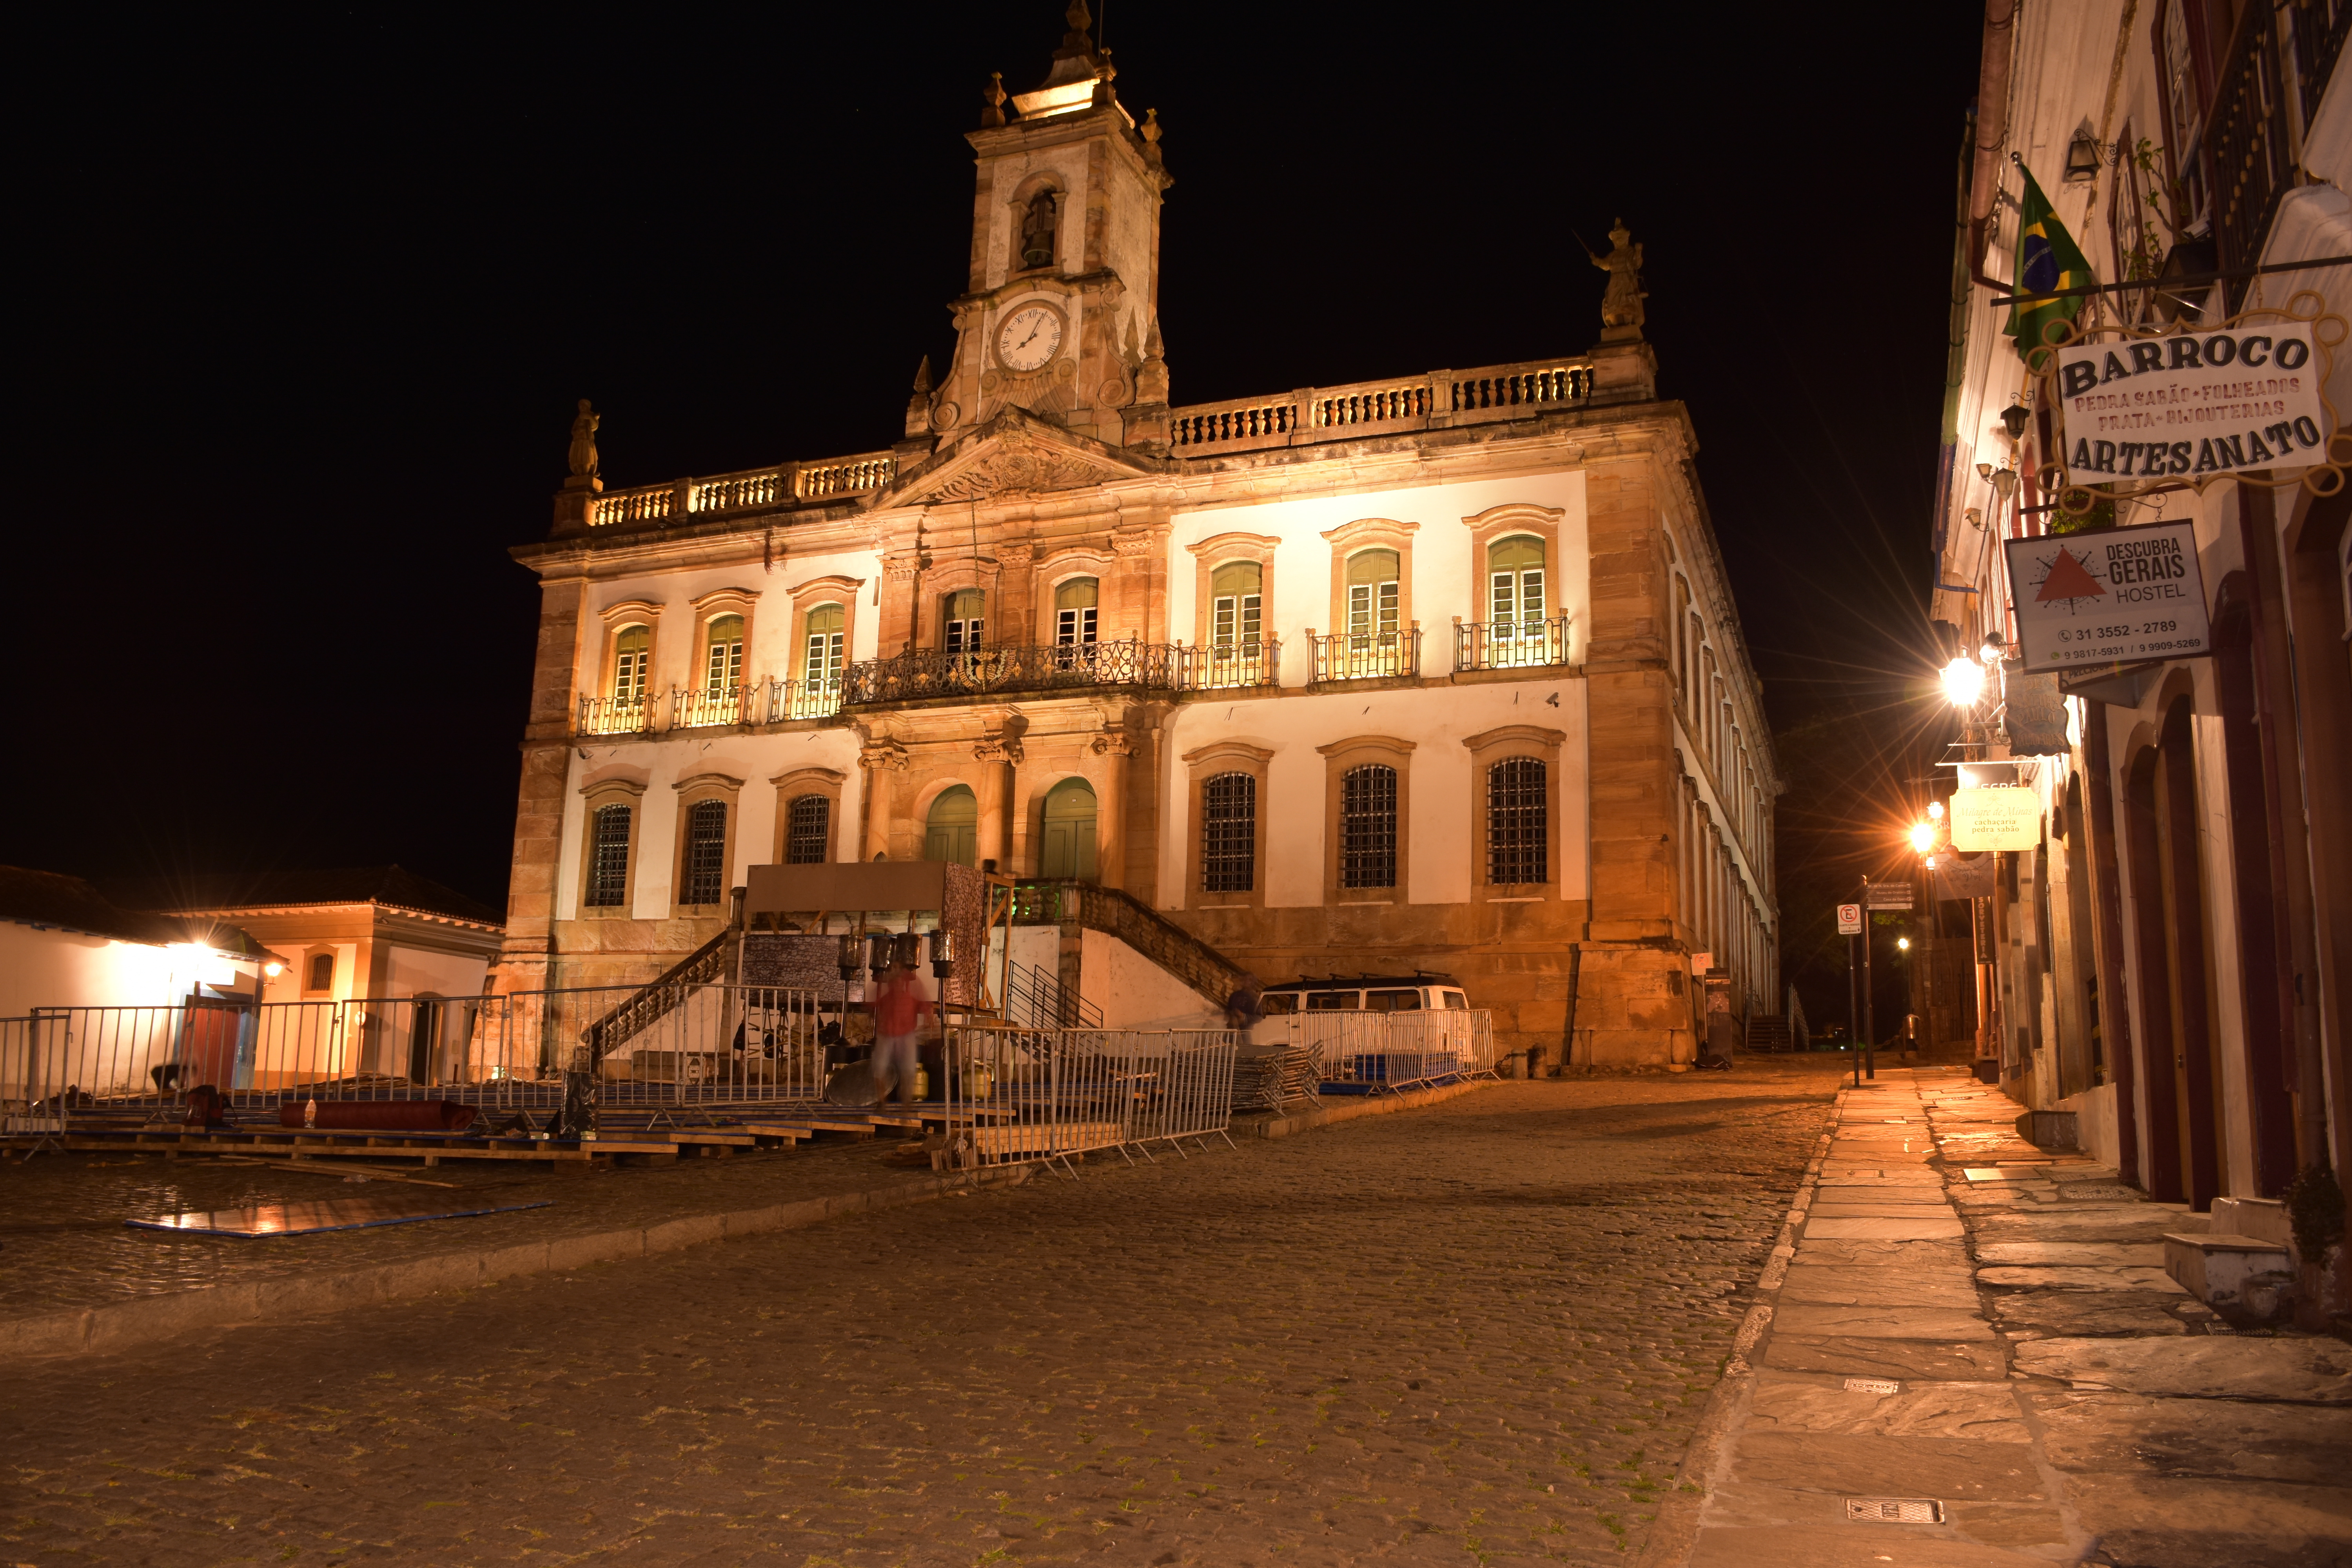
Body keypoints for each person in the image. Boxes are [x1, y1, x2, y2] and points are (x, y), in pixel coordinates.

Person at [872, 960, 926, 1105]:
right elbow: (873, 1007)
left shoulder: (909, 999)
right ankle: (882, 1101)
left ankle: (906, 1103)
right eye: (893, 983)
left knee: (908, 1070)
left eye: (899, 982)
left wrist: (929, 1017)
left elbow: (924, 1004)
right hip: (887, 1034)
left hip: (905, 1034)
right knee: (880, 1068)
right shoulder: (886, 999)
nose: (896, 985)